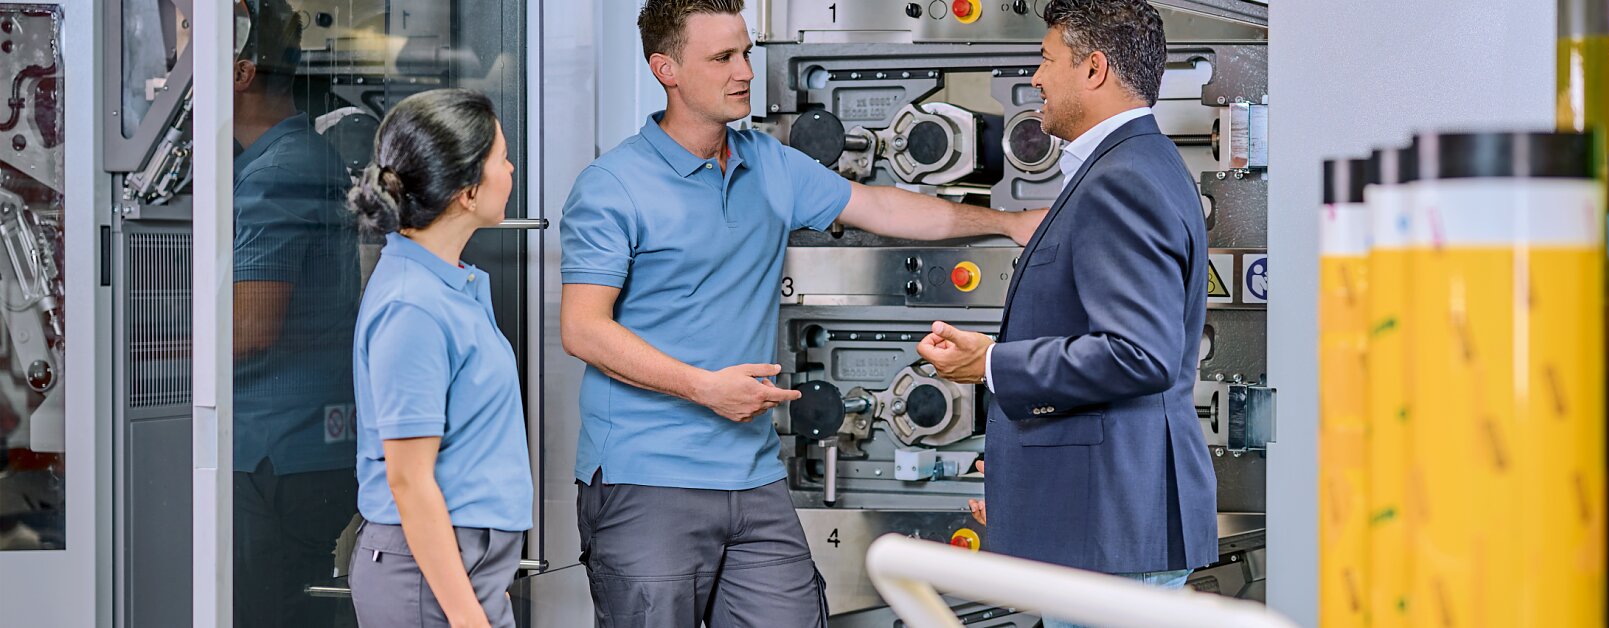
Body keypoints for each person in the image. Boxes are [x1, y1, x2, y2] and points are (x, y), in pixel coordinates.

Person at [557, 1, 1044, 625]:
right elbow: (583, 328)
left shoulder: (768, 162)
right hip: (647, 476)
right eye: (721, 58)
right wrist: (705, 389)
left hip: (751, 474)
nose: (744, 73)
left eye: (746, 53)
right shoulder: (613, 186)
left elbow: (883, 208)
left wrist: (1008, 223)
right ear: (665, 69)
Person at [915, 1, 1219, 626]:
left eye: (1048, 59)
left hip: (1113, 535)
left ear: (1096, 69)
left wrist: (992, 363)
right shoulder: (1132, 167)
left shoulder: (1123, 178)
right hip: (1098, 524)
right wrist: (1021, 485)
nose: (1035, 78)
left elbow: (1139, 352)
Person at [347, 88, 531, 628]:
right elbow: (408, 480)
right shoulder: (414, 306)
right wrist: (466, 617)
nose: (512, 166)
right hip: (427, 574)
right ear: (468, 192)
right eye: (501, 156)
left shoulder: (445, 287)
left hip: (455, 564)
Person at [229, 1, 362, 625]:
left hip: (275, 458)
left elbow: (248, 328)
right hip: (303, 448)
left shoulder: (275, 175)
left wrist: (134, 356)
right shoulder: (289, 157)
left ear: (240, 73)